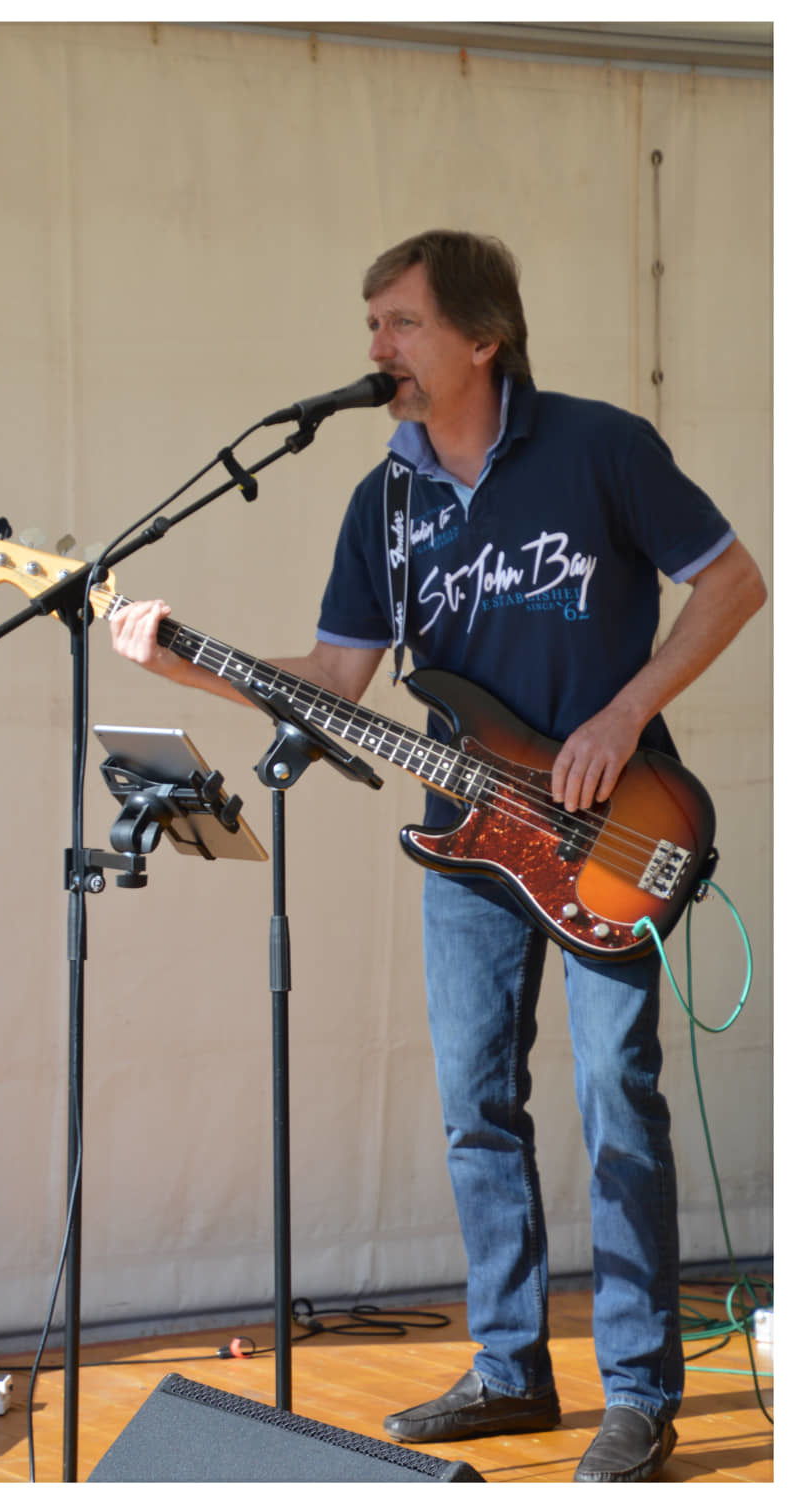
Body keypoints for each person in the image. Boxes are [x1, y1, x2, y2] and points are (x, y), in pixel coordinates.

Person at [109, 230, 766, 1483]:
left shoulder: (600, 448)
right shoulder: (386, 502)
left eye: (400, 324)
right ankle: (511, 1367)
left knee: (616, 1095)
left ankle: (639, 1390)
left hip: (616, 830)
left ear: (483, 338)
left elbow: (733, 582)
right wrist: (183, 661)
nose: (376, 349)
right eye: (370, 324)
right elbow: (335, 678)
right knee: (476, 1108)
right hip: (473, 855)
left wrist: (623, 712)